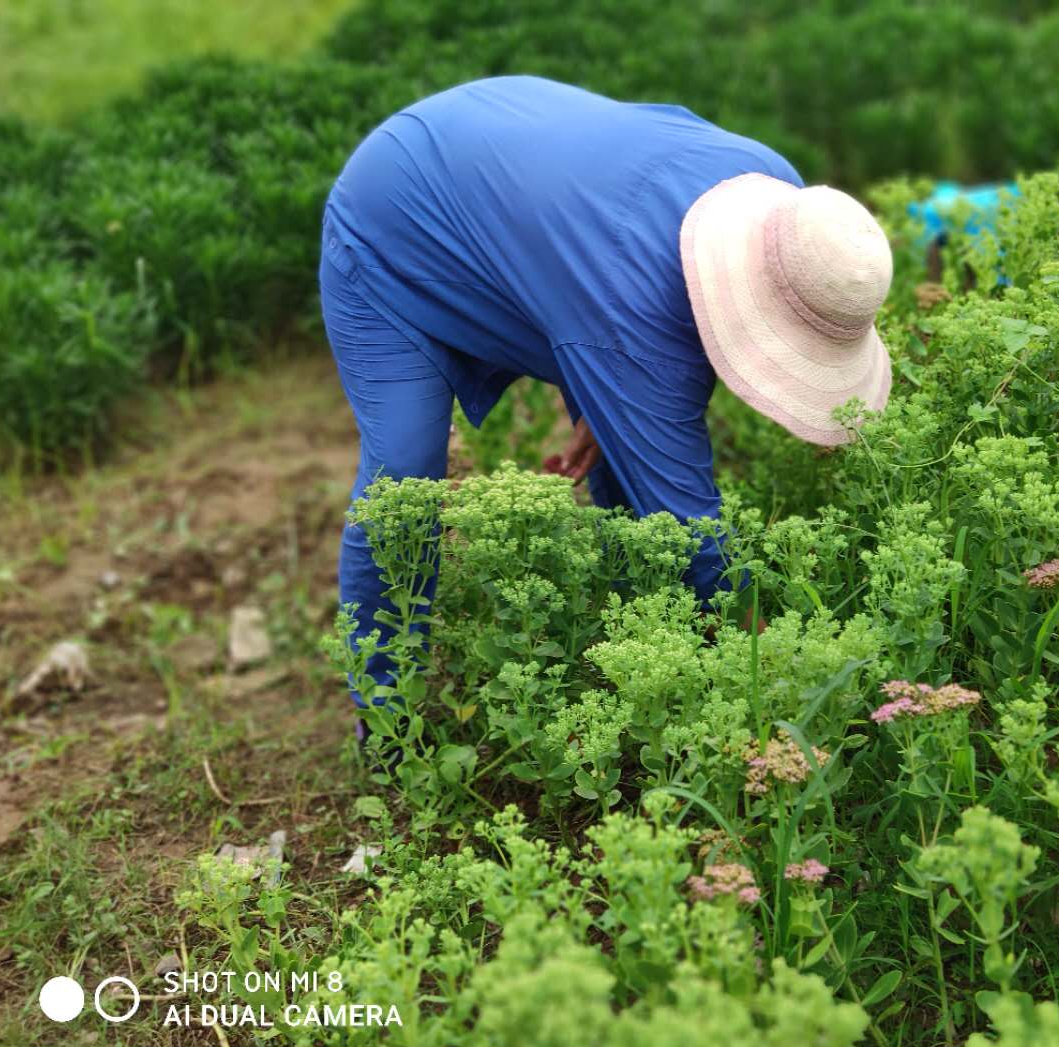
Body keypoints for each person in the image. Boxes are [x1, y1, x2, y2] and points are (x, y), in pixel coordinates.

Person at [320, 75, 893, 726]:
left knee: (630, 456)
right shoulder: (636, 313)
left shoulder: (780, 197)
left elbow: (647, 311)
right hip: (395, 212)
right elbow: (691, 530)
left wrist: (616, 401)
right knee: (404, 474)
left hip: (532, 193)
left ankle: (644, 655)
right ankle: (388, 720)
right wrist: (778, 675)